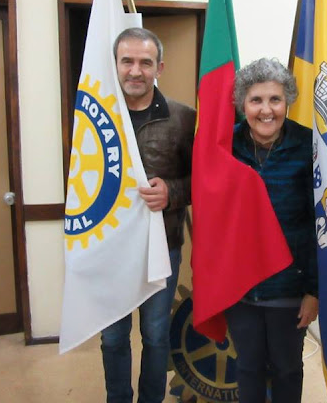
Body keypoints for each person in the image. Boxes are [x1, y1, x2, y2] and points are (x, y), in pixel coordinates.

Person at [100, 28, 196, 403]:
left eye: (145, 62)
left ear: (160, 67)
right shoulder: (98, 118)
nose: (135, 71)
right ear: (115, 65)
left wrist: (172, 192)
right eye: (127, 61)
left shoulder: (184, 119)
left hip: (162, 247)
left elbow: (204, 182)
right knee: (112, 337)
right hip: (110, 248)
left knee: (156, 335)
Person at [226, 57, 318, 403]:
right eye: (256, 100)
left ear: (288, 101)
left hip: (289, 287)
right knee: (247, 367)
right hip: (240, 287)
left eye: (275, 99)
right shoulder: (225, 145)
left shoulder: (309, 146)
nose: (266, 110)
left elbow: (319, 225)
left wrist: (314, 290)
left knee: (287, 369)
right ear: (243, 104)